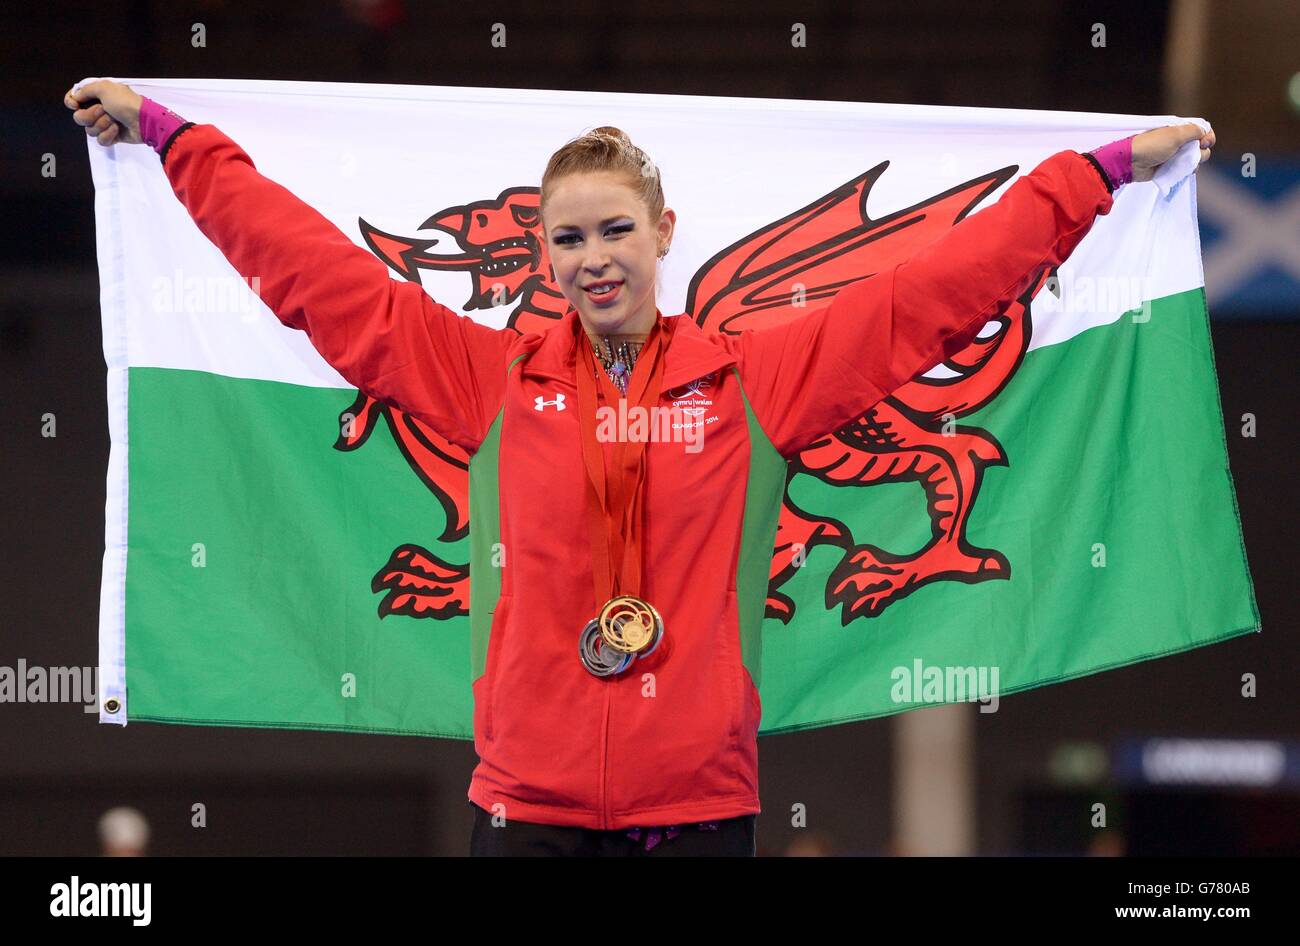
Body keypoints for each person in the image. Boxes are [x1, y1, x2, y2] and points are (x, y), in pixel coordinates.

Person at [66, 79, 1214, 857]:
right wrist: (178, 140)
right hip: (525, 806)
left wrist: (1096, 170)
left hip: (699, 807)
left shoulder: (756, 382)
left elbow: (934, 295)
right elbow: (317, 276)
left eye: (615, 229)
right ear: (544, 256)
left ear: (664, 231)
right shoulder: (488, 381)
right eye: (567, 238)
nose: (592, 257)